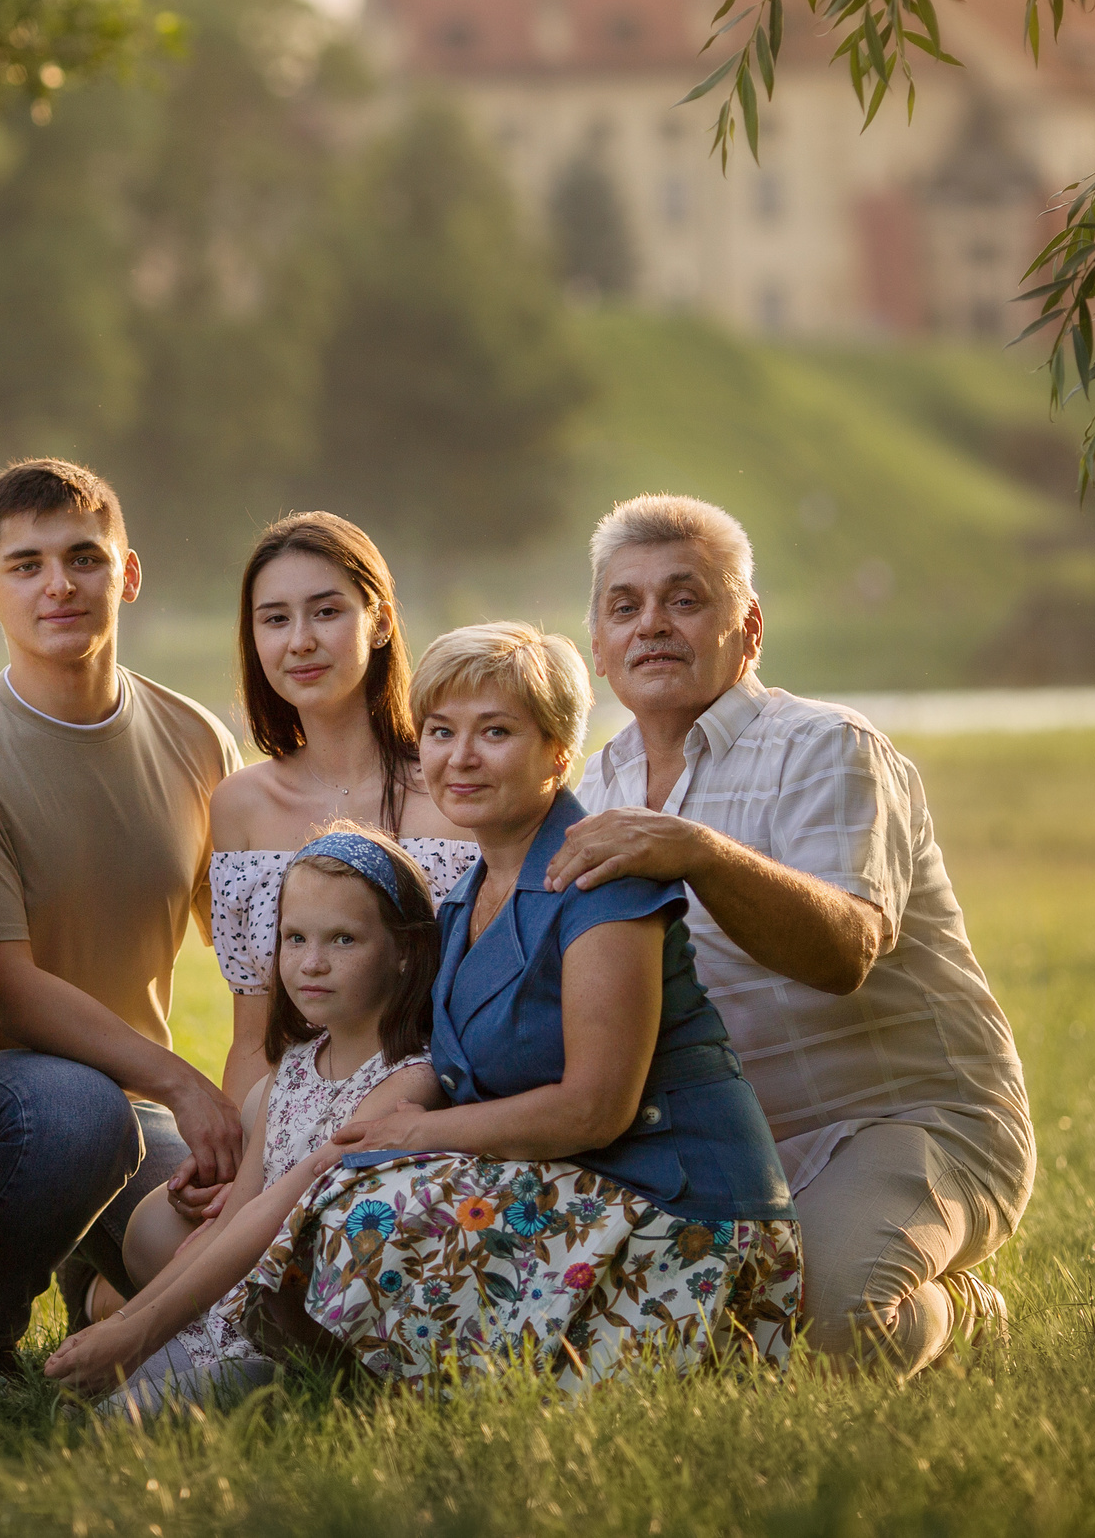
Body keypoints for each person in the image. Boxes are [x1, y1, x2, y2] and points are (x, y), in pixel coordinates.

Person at [243, 623, 802, 1393]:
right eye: (440, 731)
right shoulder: (467, 902)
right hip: (578, 1193)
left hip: (678, 1205)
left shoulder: (601, 877)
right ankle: (351, 1391)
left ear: (558, 753)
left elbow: (595, 1108)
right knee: (353, 1198)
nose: (460, 756)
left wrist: (418, 1134)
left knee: (372, 1212)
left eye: (495, 732)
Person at [549, 494, 1033, 1374]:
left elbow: (842, 952)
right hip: (722, 1142)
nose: (652, 623)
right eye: (626, 606)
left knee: (829, 1328)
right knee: (649, 1336)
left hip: (903, 1119)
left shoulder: (828, 747)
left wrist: (694, 850)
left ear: (750, 627)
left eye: (685, 599)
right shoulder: (594, 785)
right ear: (598, 645)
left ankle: (962, 1307)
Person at [0, 458, 244, 1365]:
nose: (60, 584)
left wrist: (266, 1120)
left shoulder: (199, 739)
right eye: (26, 565)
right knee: (77, 1111)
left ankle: (95, 1283)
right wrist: (180, 1078)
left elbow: (256, 961)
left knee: (235, 1271)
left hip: (141, 1113)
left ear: (127, 573)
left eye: (84, 557)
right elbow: (7, 986)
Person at [45, 824, 441, 1414]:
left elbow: (274, 1214)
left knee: (126, 1420)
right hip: (228, 1315)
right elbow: (232, 1221)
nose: (312, 963)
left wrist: (137, 1332)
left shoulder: (409, 1082)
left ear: (406, 951)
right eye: (294, 938)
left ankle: (295, 1396)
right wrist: (123, 1324)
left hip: (293, 1331)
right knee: (81, 1409)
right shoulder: (291, 1072)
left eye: (343, 940)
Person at [208, 513, 476, 1107]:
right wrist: (242, 1163)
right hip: (287, 1118)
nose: (299, 640)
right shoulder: (240, 806)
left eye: (326, 612)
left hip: (438, 1109)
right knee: (159, 1208)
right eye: (275, 619)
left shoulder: (456, 791)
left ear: (378, 622)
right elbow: (254, 1039)